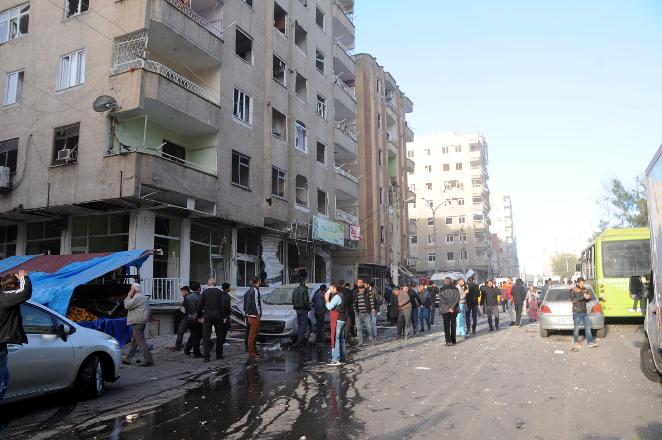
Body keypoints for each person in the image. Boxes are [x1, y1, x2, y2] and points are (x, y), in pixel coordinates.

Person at [0, 270, 32, 401]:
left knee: (4, 380)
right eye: (17, 285)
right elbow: (25, 293)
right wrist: (24, 277)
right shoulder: (5, 298)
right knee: (1, 384)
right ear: (12, 287)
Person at [198, 279, 231, 361]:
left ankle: (206, 356)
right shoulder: (220, 292)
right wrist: (225, 316)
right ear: (215, 284)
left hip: (207, 315)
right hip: (218, 315)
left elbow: (199, 305)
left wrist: (200, 316)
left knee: (206, 336)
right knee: (219, 336)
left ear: (208, 285)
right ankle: (219, 355)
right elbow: (223, 305)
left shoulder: (204, 292)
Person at [123, 283, 154, 367]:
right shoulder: (144, 297)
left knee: (140, 341)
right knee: (135, 341)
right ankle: (128, 359)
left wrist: (128, 296)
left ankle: (148, 359)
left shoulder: (137, 297)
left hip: (137, 322)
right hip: (142, 321)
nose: (130, 290)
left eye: (131, 289)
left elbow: (127, 306)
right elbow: (149, 310)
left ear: (133, 289)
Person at [171, 285, 203, 357]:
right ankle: (183, 348)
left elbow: (189, 309)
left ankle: (184, 348)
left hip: (190, 318)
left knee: (188, 333)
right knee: (189, 334)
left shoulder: (189, 298)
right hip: (191, 318)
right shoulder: (191, 297)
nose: (181, 293)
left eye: (182, 292)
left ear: (186, 291)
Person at [570, 277, 598, 351]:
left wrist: (588, 298)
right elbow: (573, 300)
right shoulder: (573, 290)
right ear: (577, 283)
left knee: (588, 328)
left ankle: (590, 342)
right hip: (576, 312)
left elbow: (587, 300)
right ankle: (576, 341)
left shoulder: (585, 289)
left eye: (583, 283)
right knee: (576, 328)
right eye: (581, 284)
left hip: (584, 312)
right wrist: (583, 296)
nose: (582, 285)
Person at [326, 282, 347, 366]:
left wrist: (327, 298)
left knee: (335, 338)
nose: (329, 290)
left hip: (337, 319)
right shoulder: (342, 295)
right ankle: (342, 358)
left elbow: (329, 307)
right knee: (341, 339)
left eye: (330, 288)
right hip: (342, 318)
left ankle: (335, 359)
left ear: (334, 288)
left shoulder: (337, 296)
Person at [243, 277, 263, 358]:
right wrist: (258, 314)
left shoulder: (250, 291)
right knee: (252, 335)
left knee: (252, 335)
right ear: (259, 281)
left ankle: (253, 350)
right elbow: (256, 303)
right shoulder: (254, 290)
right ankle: (252, 352)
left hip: (250, 315)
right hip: (253, 316)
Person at [353, 279, 377, 345]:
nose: (360, 284)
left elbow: (371, 300)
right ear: (357, 284)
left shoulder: (367, 291)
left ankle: (372, 340)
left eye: (361, 282)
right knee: (359, 328)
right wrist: (355, 310)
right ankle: (360, 342)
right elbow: (353, 302)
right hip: (358, 313)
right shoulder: (355, 292)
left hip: (367, 312)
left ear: (363, 283)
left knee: (369, 327)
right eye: (359, 283)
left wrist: (373, 308)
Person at [439, 277, 460, 345]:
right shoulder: (455, 289)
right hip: (454, 309)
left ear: (445, 282)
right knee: (453, 324)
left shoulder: (441, 289)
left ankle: (448, 340)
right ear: (451, 282)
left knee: (446, 325)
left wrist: (449, 307)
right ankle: (453, 340)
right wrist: (452, 307)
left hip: (445, 309)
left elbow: (442, 300)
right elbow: (457, 298)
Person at [292, 276, 311, 346]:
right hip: (303, 309)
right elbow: (306, 300)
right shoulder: (304, 290)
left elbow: (293, 299)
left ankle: (299, 339)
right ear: (303, 282)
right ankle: (300, 341)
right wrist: (309, 307)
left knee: (300, 325)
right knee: (304, 325)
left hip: (297, 309)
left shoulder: (295, 290)